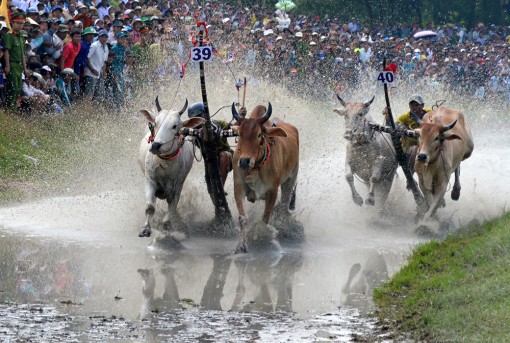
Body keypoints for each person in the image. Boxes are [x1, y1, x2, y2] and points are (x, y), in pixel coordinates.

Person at [187, 102, 239, 189]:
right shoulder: (191, 132)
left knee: (224, 155)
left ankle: (221, 188)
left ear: (205, 114)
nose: (198, 121)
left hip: (227, 159)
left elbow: (235, 127)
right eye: (194, 119)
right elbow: (180, 136)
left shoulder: (219, 124)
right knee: (211, 189)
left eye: (200, 116)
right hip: (210, 163)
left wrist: (240, 118)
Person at [383, 94, 431, 173]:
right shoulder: (404, 117)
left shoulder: (430, 113)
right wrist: (388, 118)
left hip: (427, 143)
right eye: (412, 105)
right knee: (411, 151)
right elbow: (396, 125)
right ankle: (409, 177)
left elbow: (439, 117)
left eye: (417, 105)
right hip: (410, 144)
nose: (414, 107)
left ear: (422, 105)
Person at [2, 12, 29, 111]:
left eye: (22, 23)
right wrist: (7, 66)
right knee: (12, 88)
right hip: (12, 64)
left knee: (18, 89)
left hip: (19, 65)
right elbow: (6, 51)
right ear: (12, 23)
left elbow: (22, 53)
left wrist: (25, 68)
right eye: (18, 23)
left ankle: (13, 109)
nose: (20, 25)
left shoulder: (21, 35)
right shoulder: (9, 35)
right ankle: (9, 109)